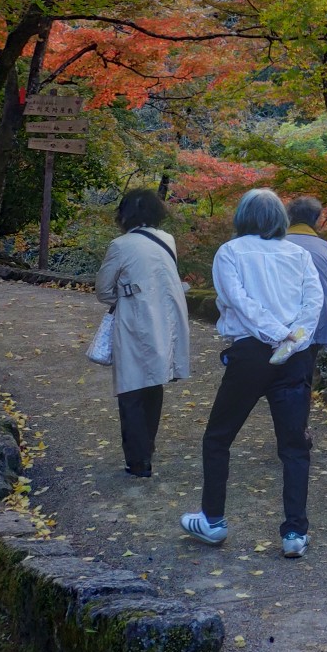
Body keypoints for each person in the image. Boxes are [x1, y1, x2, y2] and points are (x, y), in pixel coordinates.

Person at [180, 188, 323, 558]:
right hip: (295, 356)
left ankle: (212, 521)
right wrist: (294, 338)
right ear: (280, 219)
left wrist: (276, 335)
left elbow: (238, 301)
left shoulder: (230, 252)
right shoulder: (299, 254)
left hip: (251, 354)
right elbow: (314, 302)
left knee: (218, 438)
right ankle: (294, 534)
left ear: (242, 217)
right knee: (294, 447)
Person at [94, 190, 191, 478]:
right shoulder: (167, 240)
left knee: (131, 388)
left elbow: (103, 290)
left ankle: (138, 461)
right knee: (153, 383)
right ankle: (146, 449)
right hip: (167, 319)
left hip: (134, 320)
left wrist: (125, 298)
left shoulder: (120, 245)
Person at [283, 196, 327, 364]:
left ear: (289, 217)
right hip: (317, 325)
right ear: (317, 219)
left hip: (282, 324)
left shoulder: (275, 246)